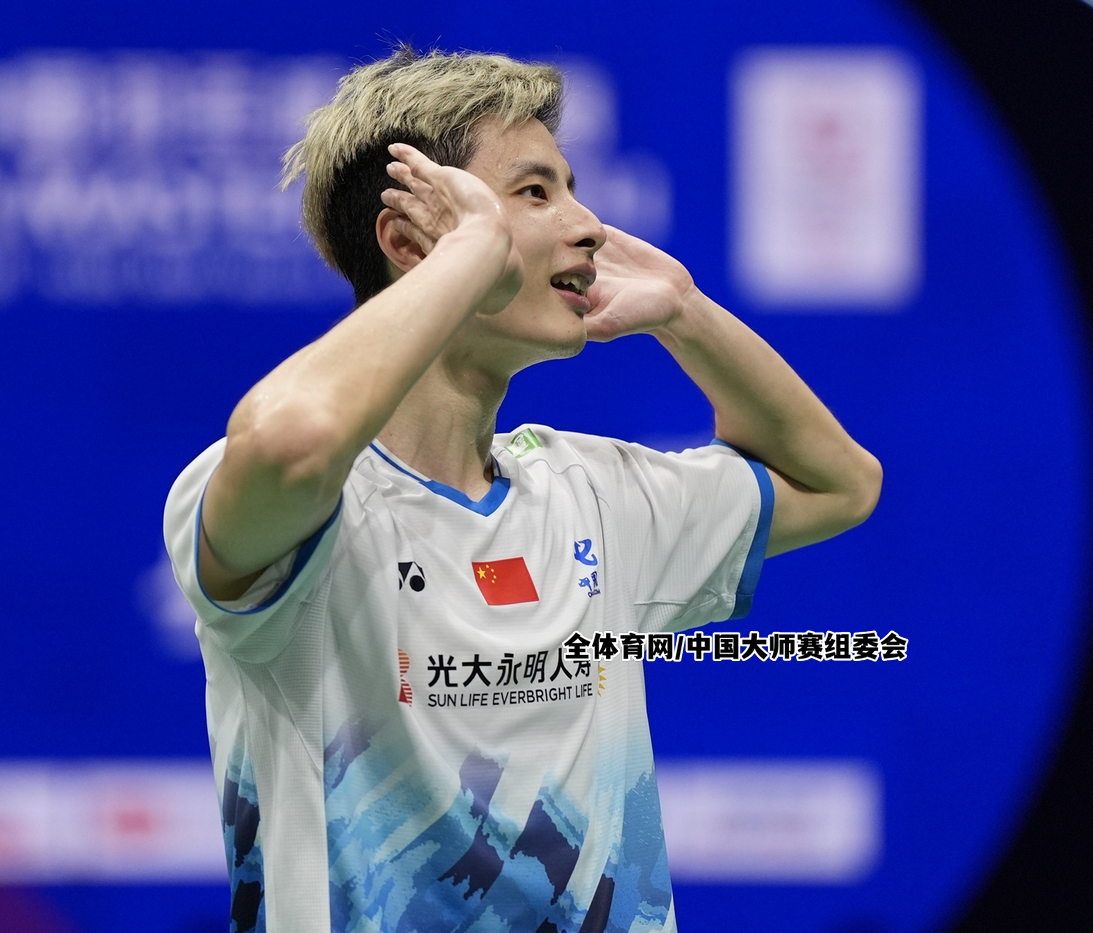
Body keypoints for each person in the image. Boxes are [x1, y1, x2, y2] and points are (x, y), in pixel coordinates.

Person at [164, 45, 881, 933]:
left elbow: (840, 484)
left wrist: (686, 312)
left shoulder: (591, 496)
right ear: (408, 240)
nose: (589, 226)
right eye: (536, 192)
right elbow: (294, 440)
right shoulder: (291, 505)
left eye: (573, 188)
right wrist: (468, 254)